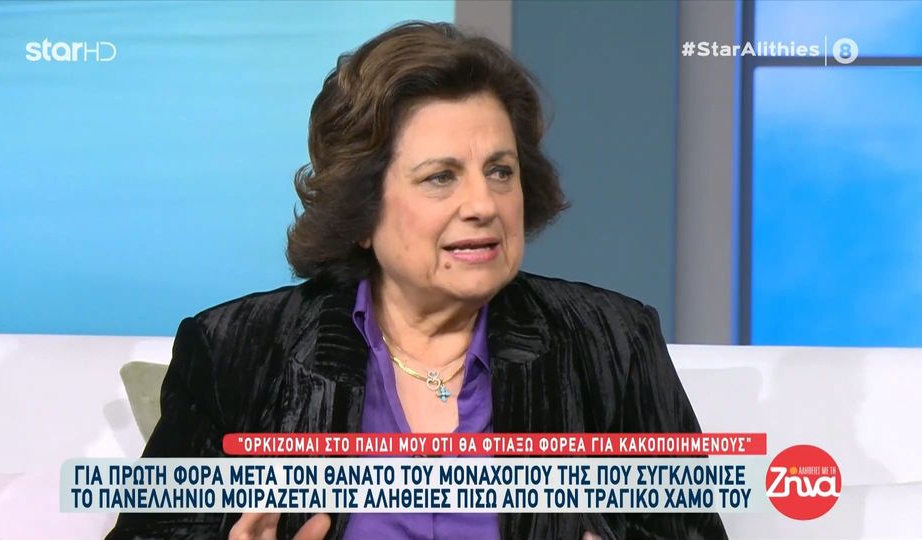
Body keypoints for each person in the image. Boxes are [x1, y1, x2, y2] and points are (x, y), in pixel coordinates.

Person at [107, 21, 727, 540]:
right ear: (360, 211)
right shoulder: (236, 351)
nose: (483, 204)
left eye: (500, 171)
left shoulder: (611, 344)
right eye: (440, 177)